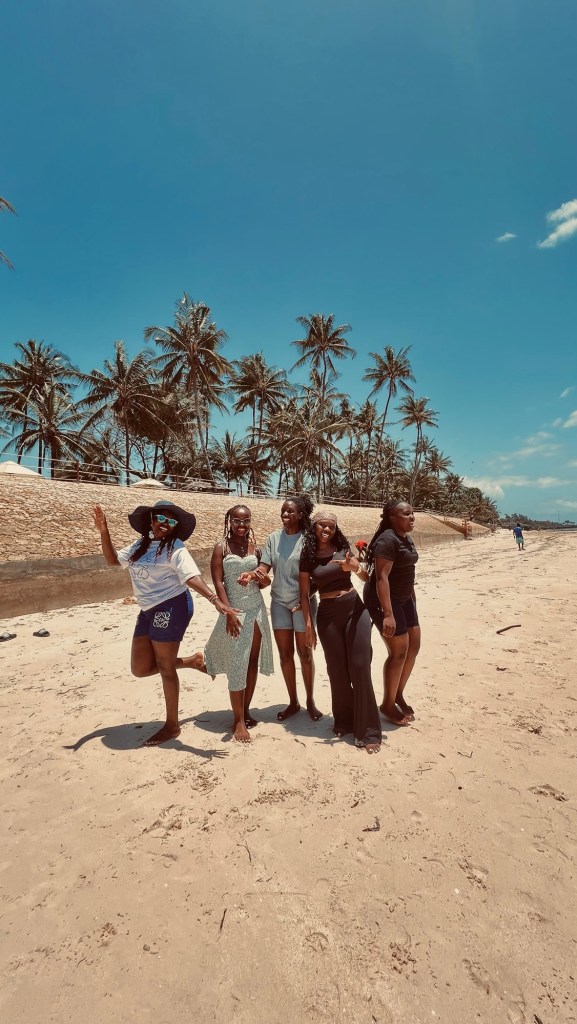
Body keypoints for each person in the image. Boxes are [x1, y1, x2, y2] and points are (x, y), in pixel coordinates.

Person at [92, 500, 231, 746]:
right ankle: (192, 661)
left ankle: (172, 726)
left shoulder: (175, 547)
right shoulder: (140, 545)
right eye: (161, 518)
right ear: (152, 520)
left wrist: (214, 599)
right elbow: (113, 560)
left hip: (172, 606)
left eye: (171, 520)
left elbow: (191, 576)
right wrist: (104, 531)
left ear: (176, 526)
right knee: (140, 668)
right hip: (147, 610)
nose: (165, 524)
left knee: (165, 667)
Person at [299, 513, 381, 753]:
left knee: (360, 666)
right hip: (327, 615)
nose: (326, 530)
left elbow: (366, 577)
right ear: (314, 527)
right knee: (336, 671)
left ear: (336, 530)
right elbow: (304, 594)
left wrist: (355, 567)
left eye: (331, 527)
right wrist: (308, 626)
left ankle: (369, 731)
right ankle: (344, 720)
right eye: (322, 525)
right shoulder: (307, 556)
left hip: (354, 609)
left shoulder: (343, 549)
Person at [237, 494, 322, 722]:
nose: (285, 514)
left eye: (290, 511)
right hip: (279, 604)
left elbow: (318, 575)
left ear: (300, 515)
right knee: (285, 655)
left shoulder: (309, 539)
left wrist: (305, 599)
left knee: (305, 654)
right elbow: (264, 567)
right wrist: (252, 575)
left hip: (303, 604)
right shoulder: (274, 539)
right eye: (283, 510)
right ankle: (293, 702)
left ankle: (310, 701)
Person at [201, 505, 274, 743]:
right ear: (229, 521)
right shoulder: (221, 548)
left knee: (251, 661)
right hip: (234, 610)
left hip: (257, 609)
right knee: (237, 664)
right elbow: (218, 582)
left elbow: (263, 583)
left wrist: (262, 580)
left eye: (246, 520)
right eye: (237, 521)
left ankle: (246, 710)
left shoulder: (256, 549)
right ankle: (238, 720)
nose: (241, 525)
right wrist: (227, 611)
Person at [363, 500, 420, 726]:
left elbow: (408, 570)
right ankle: (387, 704)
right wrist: (387, 614)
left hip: (405, 599)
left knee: (413, 647)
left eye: (412, 513)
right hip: (384, 600)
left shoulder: (406, 537)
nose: (412, 517)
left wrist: (412, 597)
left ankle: (398, 694)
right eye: (406, 514)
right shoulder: (387, 540)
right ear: (393, 518)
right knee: (398, 652)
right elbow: (381, 578)